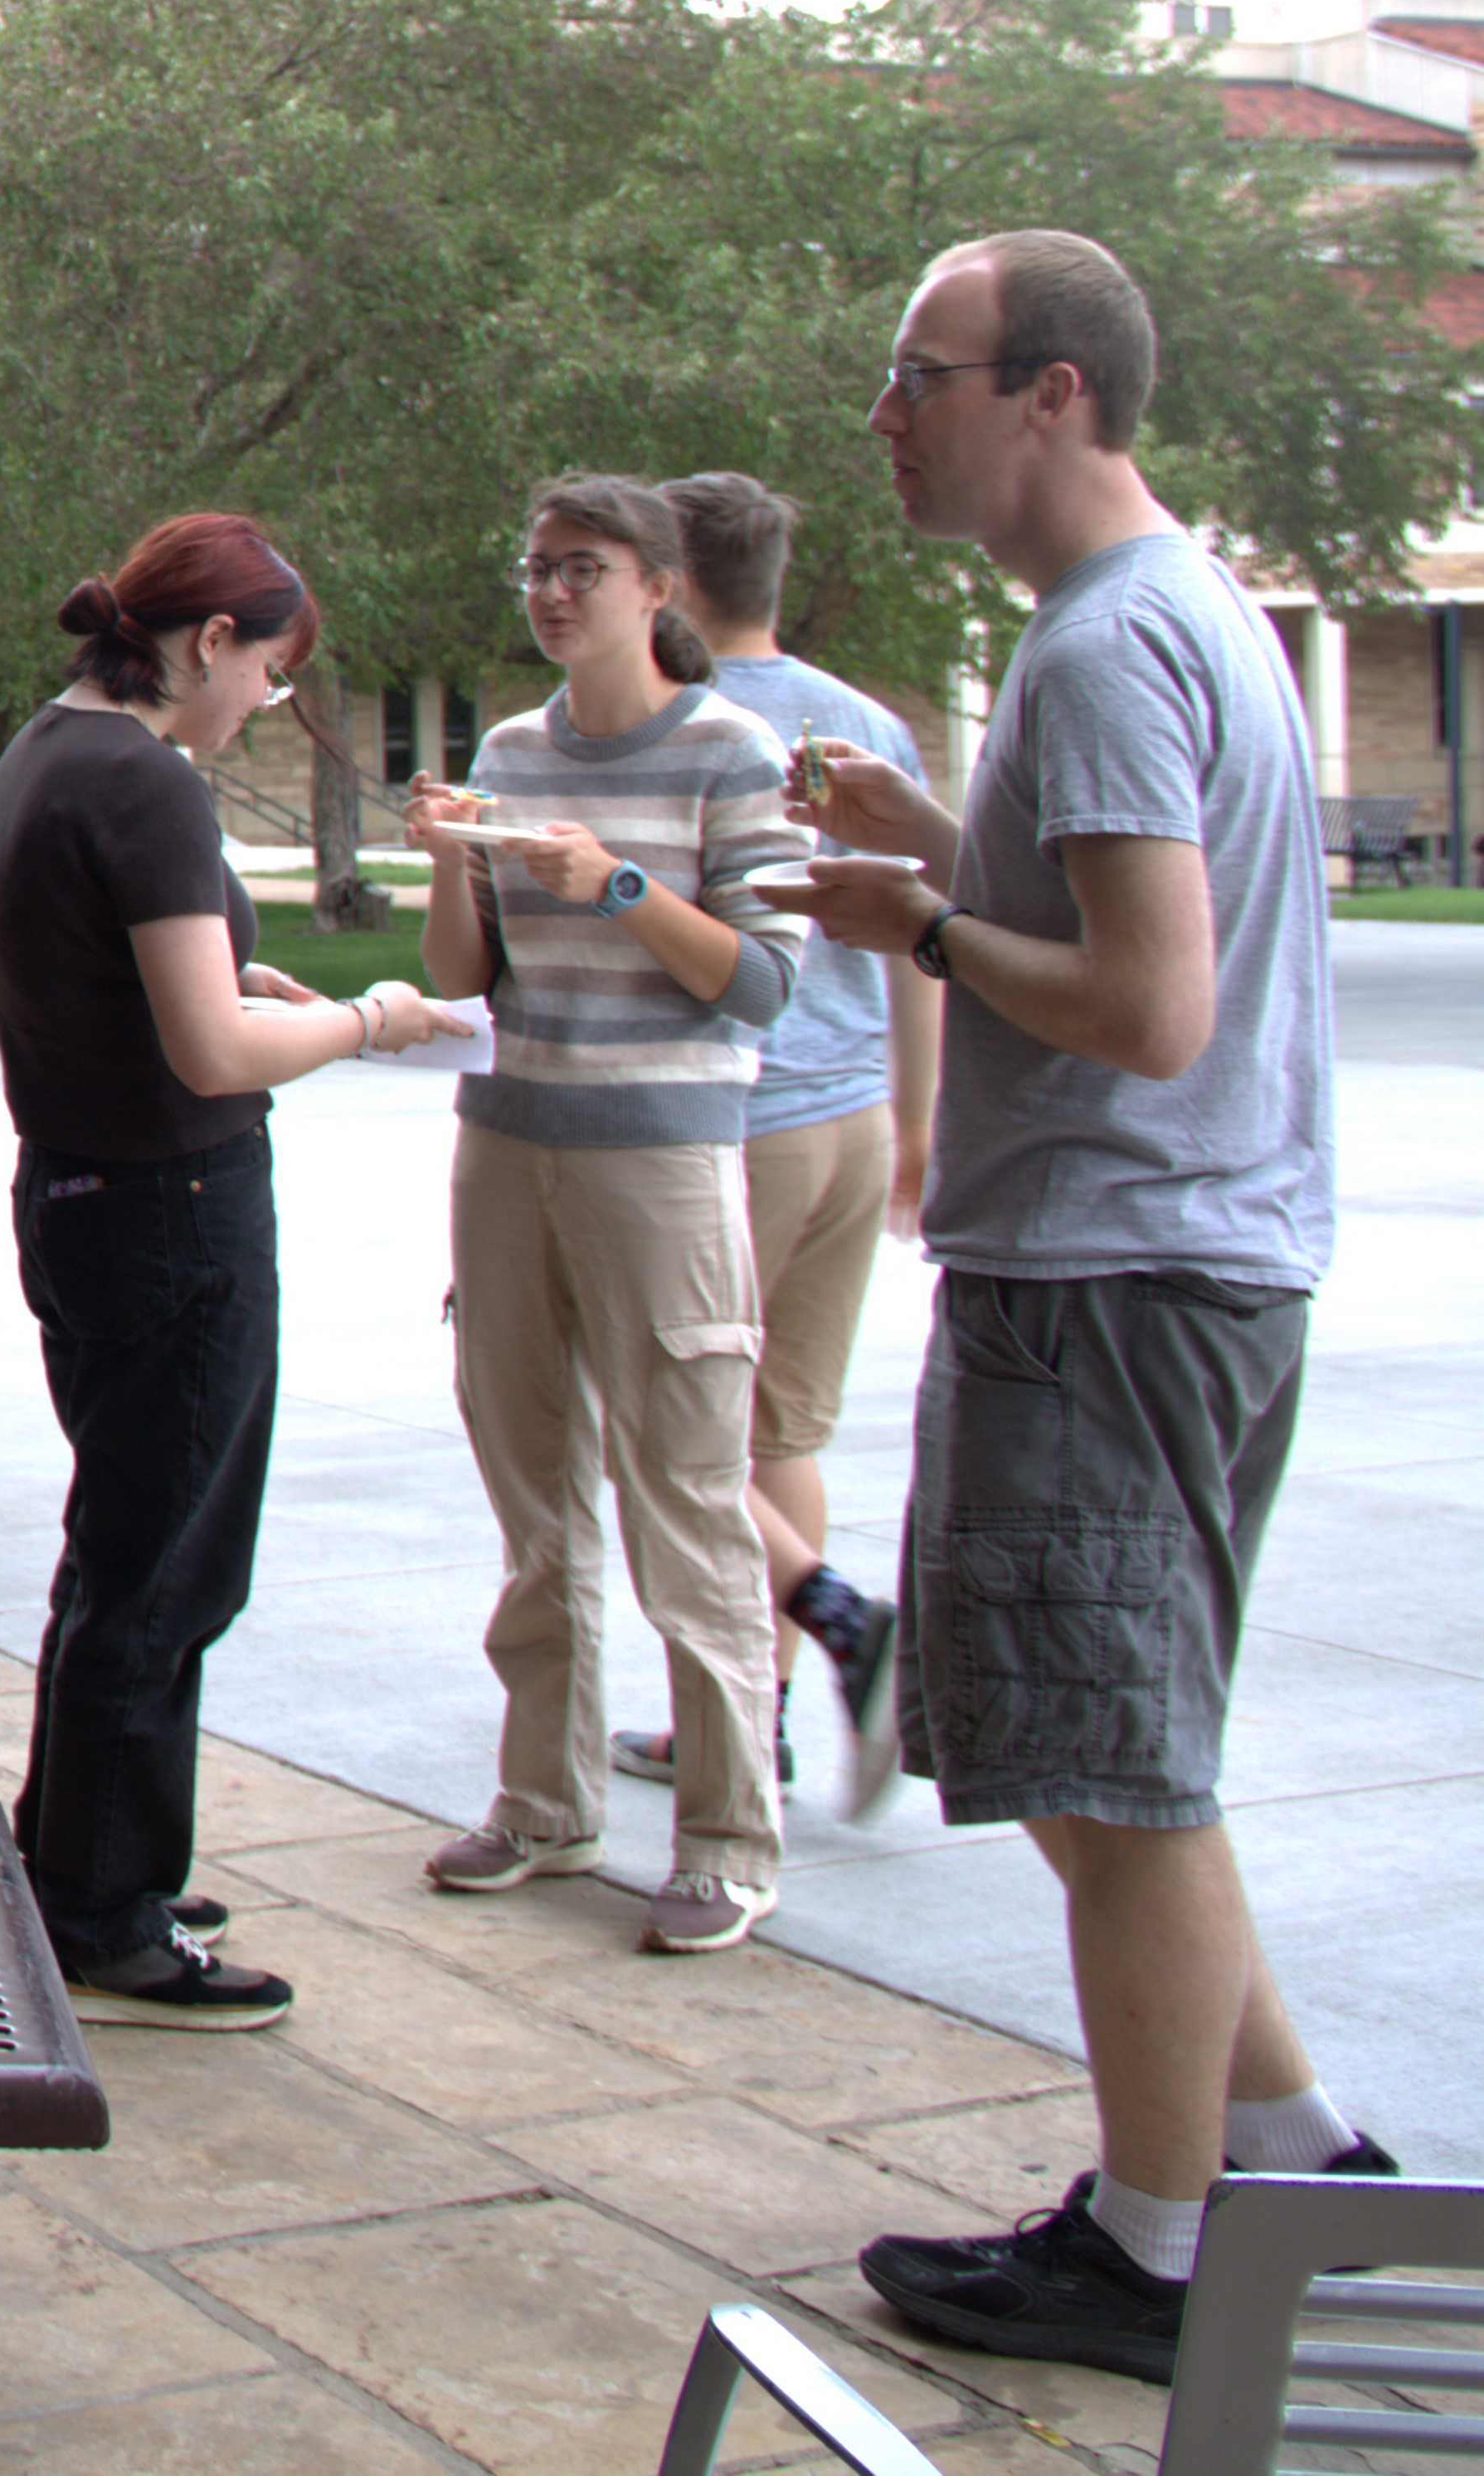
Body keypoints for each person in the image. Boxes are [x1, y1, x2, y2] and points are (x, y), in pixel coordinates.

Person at [776, 232, 1382, 2381]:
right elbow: (1130, 926)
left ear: (1048, 393)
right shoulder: (1158, 616)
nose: (882, 416)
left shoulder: (1109, 648)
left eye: (912, 372)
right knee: (1092, 1751)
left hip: (1116, 1272)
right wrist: (928, 840)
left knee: (1116, 1775)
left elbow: (1144, 1001)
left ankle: (1157, 2243)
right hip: (1177, 1265)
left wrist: (916, 916)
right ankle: (1303, 2146)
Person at [0, 516, 447, 2030]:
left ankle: (76, 1858)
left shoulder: (48, 751)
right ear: (205, 642)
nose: (269, 703)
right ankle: (104, 1908)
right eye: (270, 671)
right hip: (171, 1204)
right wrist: (370, 1018)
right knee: (165, 1566)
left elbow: (129, 981)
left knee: (118, 1543)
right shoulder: (144, 783)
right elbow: (211, 1052)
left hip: (76, 1193)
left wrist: (249, 988)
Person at [402, 473, 813, 1956]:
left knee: (685, 1499)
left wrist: (619, 881)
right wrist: (456, 852)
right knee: (530, 1494)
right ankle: (542, 1802)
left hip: (663, 1161)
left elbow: (763, 979)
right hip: (507, 1145)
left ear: (655, 587)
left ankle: (721, 1836)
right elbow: (466, 976)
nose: (549, 592)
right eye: (532, 568)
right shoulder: (508, 750)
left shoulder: (729, 752)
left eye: (578, 568)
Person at [606, 471, 933, 1814]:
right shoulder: (861, 725)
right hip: (851, 1120)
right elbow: (918, 931)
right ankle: (768, 1707)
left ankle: (823, 1627)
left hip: (728, 1124)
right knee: (777, 1425)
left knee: (666, 1435)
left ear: (663, 580)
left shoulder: (674, 729)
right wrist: (916, 1119)